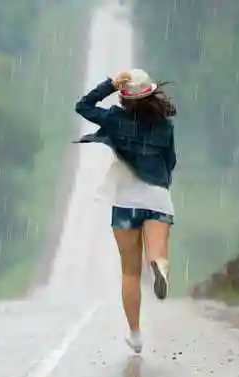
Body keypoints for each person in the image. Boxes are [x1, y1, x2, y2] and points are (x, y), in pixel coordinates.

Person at [74, 68, 177, 354]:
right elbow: (171, 162)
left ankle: (135, 334)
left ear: (124, 96)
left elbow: (83, 106)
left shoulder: (114, 120)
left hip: (125, 202)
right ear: (150, 94)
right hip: (156, 198)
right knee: (156, 252)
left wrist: (109, 84)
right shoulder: (165, 127)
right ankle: (159, 266)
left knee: (129, 272)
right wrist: (159, 181)